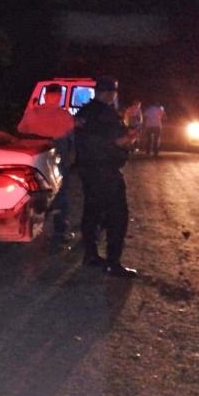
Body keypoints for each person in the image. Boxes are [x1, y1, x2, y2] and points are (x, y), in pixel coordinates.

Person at [75, 76, 138, 277]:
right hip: (106, 171)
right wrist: (131, 136)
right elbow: (117, 141)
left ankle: (91, 255)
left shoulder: (84, 111)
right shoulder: (107, 115)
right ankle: (113, 263)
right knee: (117, 216)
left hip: (87, 169)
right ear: (110, 93)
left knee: (92, 212)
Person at [17, 83, 75, 245]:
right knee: (60, 195)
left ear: (45, 95)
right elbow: (72, 140)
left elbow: (20, 131)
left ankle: (30, 228)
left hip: (34, 163)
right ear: (59, 97)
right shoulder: (64, 116)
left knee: (34, 196)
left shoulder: (32, 113)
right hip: (56, 163)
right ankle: (59, 231)